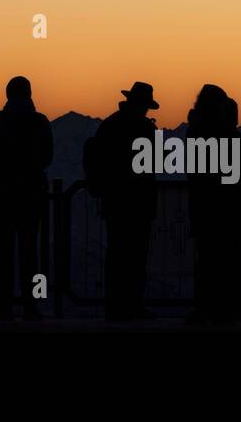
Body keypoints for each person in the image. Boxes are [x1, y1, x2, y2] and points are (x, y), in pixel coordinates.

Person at [85, 81, 158, 320]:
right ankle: (133, 303)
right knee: (136, 254)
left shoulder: (110, 124)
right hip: (138, 200)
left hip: (115, 199)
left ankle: (114, 304)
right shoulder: (143, 128)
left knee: (117, 252)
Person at [0, 76, 52, 320]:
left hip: (2, 196)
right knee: (29, 253)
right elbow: (47, 157)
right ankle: (30, 306)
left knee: (3, 252)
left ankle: (4, 305)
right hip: (31, 196)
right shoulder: (40, 122)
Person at [186, 85, 241, 325]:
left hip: (205, 208)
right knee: (229, 261)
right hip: (230, 210)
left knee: (206, 260)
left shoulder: (196, 134)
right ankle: (229, 308)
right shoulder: (232, 138)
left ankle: (205, 308)